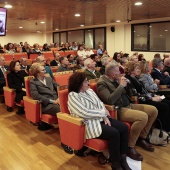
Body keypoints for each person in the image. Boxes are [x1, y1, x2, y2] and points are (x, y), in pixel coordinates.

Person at [68, 72, 131, 170]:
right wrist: (102, 113)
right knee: (114, 133)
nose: (88, 83)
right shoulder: (73, 95)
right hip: (89, 123)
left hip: (101, 118)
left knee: (123, 127)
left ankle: (123, 159)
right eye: (85, 81)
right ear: (79, 83)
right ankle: (116, 164)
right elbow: (84, 112)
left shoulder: (89, 91)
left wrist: (105, 115)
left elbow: (100, 103)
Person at [97, 63, 158, 161]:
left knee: (153, 110)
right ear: (112, 74)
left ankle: (141, 138)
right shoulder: (102, 83)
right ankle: (130, 146)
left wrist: (127, 84)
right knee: (143, 117)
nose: (120, 73)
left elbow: (127, 94)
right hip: (118, 110)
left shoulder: (115, 79)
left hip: (128, 104)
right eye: (118, 71)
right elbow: (110, 100)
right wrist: (121, 86)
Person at [29, 63, 73, 154]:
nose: (45, 71)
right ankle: (65, 142)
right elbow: (35, 95)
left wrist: (58, 98)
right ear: (37, 73)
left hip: (57, 101)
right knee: (63, 113)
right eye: (43, 70)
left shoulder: (49, 79)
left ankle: (74, 135)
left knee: (71, 108)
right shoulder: (33, 82)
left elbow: (58, 87)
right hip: (47, 105)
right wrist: (51, 101)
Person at [125, 61, 170, 133]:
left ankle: (167, 128)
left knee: (167, 101)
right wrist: (151, 98)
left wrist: (153, 95)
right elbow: (135, 95)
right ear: (131, 70)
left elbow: (144, 90)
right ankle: (161, 130)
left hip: (148, 97)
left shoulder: (136, 77)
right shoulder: (128, 79)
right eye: (137, 68)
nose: (138, 70)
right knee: (164, 106)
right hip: (141, 100)